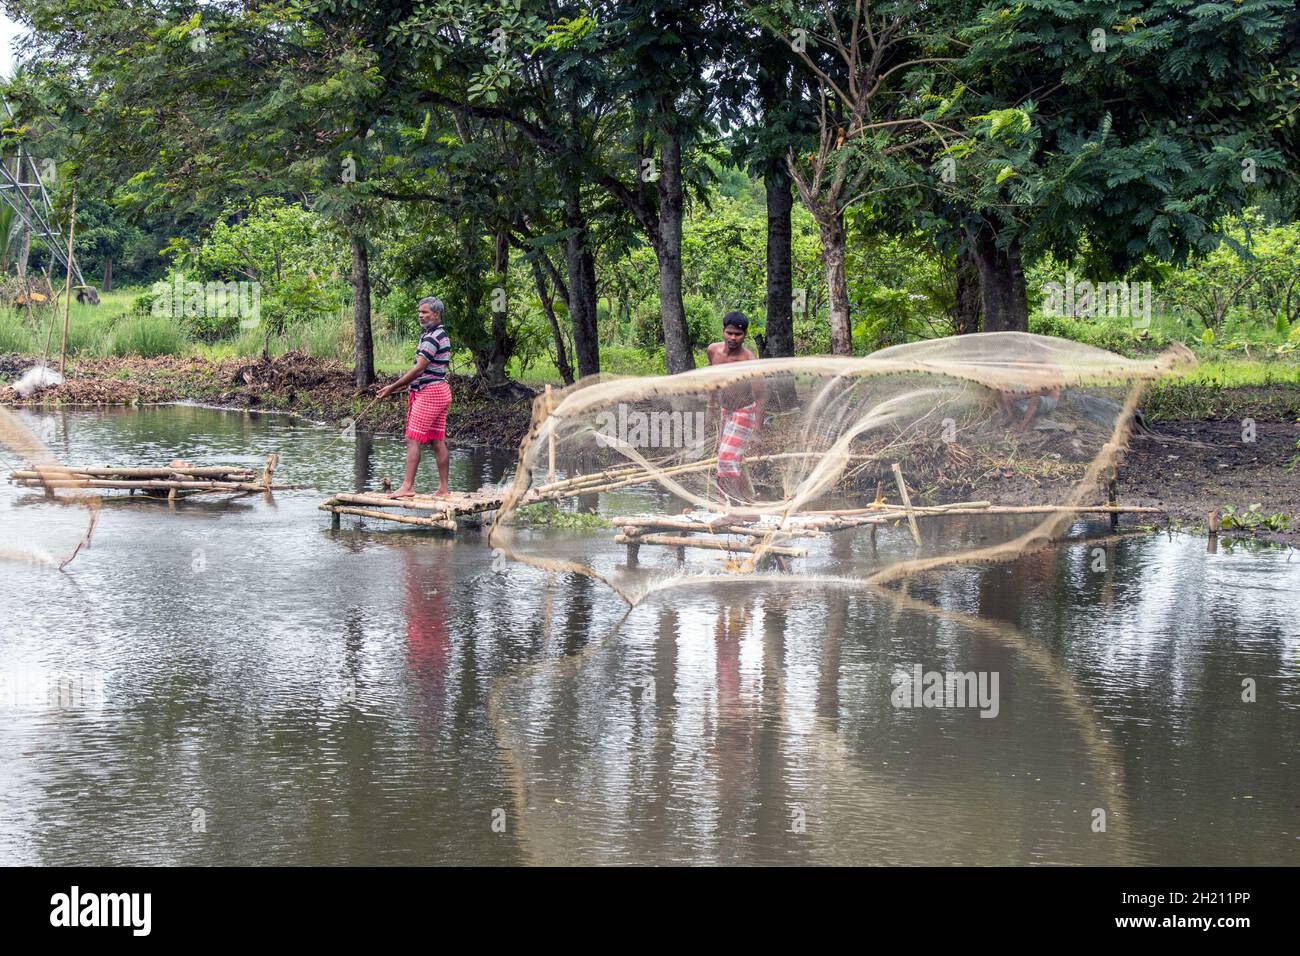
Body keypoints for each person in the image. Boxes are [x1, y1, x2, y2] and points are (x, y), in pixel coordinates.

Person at [377, 296, 453, 498]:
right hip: (440, 391)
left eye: (425, 312)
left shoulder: (432, 337)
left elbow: (419, 369)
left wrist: (392, 387)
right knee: (437, 440)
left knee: (412, 439)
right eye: (419, 312)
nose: (421, 316)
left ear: (436, 314)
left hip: (430, 393)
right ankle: (443, 489)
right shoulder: (439, 334)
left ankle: (408, 486)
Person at [706, 311, 766, 502]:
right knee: (731, 459)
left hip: (744, 412)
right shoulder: (713, 351)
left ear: (745, 335)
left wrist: (757, 430)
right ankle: (746, 506)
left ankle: (732, 509)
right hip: (726, 411)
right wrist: (711, 407)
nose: (733, 338)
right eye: (729, 333)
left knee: (726, 458)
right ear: (723, 331)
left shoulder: (749, 361)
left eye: (737, 334)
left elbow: (762, 396)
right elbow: (713, 380)